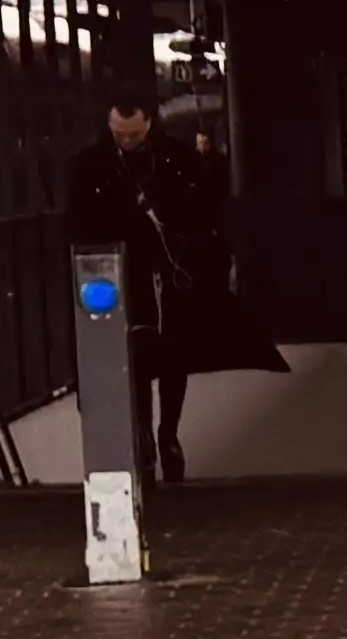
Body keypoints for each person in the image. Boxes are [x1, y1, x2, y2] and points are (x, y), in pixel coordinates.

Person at [58, 90, 237, 486]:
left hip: (169, 270)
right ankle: (147, 434)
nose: (127, 141)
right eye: (120, 134)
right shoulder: (92, 166)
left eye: (134, 134)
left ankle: (164, 433)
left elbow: (204, 211)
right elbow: (77, 224)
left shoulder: (174, 160)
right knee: (138, 355)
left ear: (148, 125)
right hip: (125, 272)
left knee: (172, 354)